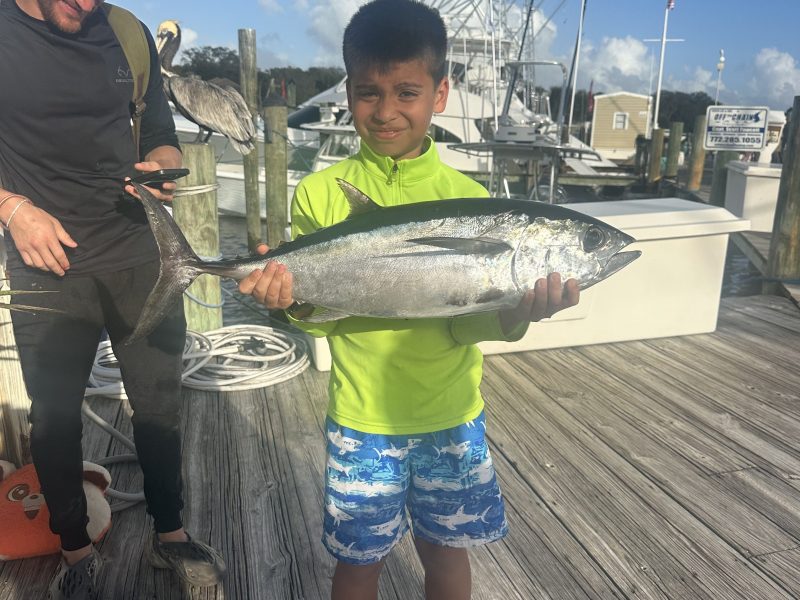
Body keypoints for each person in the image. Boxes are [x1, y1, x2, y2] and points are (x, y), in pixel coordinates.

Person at [239, 1, 579, 598]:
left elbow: (461, 326)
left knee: (447, 555)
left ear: (440, 92)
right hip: (361, 420)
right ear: (348, 93)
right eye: (370, 93)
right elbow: (323, 325)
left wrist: (518, 313)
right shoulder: (320, 193)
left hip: (451, 415)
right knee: (359, 563)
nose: (387, 110)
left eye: (406, 92)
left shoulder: (470, 197)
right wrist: (286, 304)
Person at [0, 1, 225, 598]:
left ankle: (169, 534)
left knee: (159, 404)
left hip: (139, 252)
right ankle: (75, 549)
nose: (88, 4)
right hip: (45, 259)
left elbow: (160, 133)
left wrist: (164, 165)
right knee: (53, 419)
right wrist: (12, 209)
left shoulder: (127, 33)